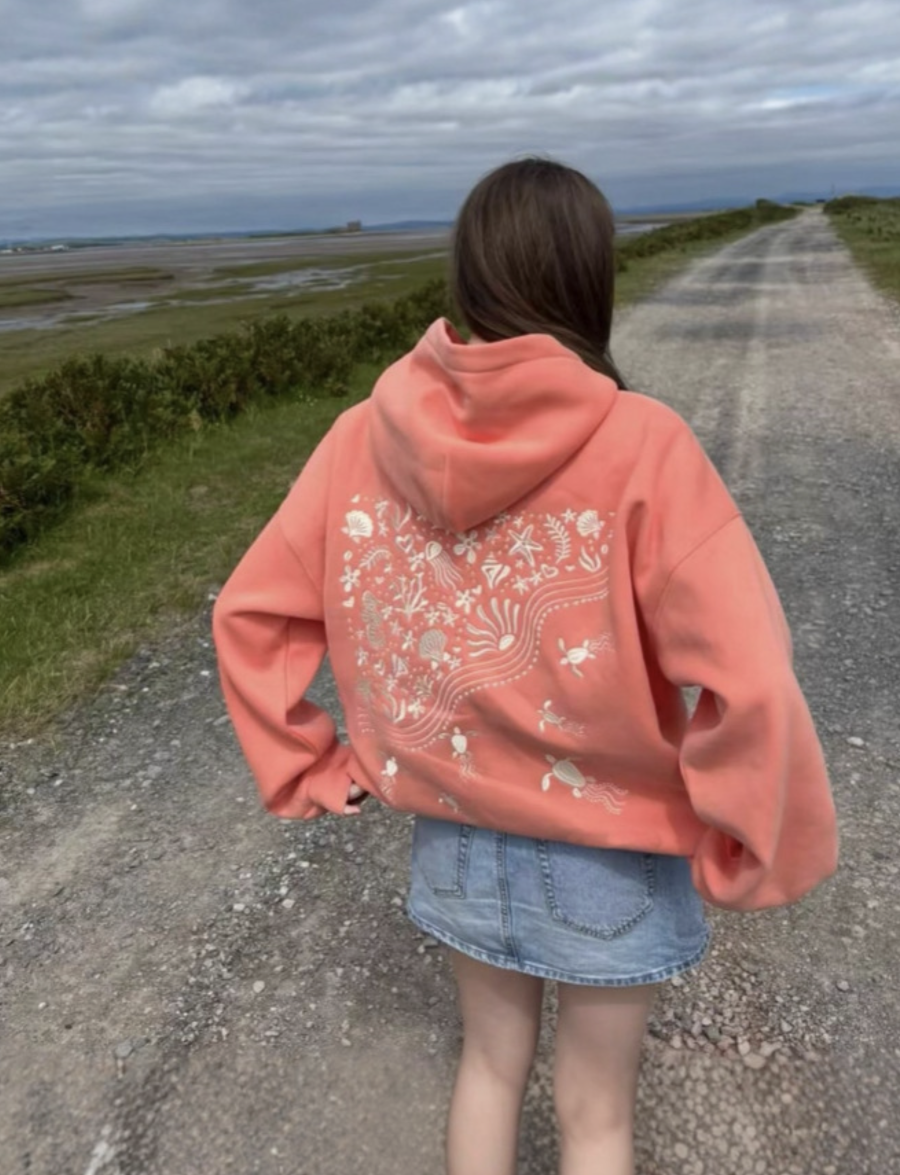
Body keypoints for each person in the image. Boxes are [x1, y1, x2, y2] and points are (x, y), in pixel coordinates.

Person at [212, 157, 838, 1175]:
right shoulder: (644, 442)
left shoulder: (357, 440)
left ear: (468, 275)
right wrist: (753, 839)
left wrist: (312, 767)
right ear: (590, 276)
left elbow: (250, 614)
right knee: (595, 1118)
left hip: (453, 838)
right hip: (613, 850)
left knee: (488, 1074)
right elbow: (751, 672)